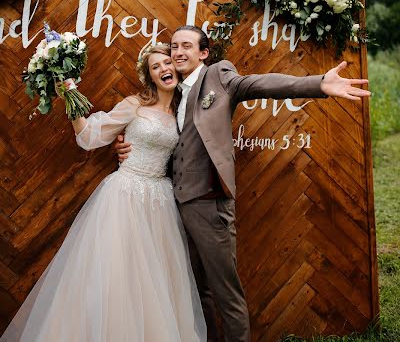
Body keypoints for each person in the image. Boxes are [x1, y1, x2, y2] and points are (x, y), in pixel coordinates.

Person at [116, 25, 371, 342]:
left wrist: (319, 83)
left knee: (226, 294)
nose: (177, 51)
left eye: (186, 45)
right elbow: (163, 141)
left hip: (210, 206)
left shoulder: (219, 76)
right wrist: (128, 145)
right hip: (174, 207)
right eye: (173, 47)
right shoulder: (172, 93)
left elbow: (260, 84)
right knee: (196, 292)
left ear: (204, 53)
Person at [1, 44, 207, 342]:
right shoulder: (134, 104)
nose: (164, 69)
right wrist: (69, 97)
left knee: (157, 282)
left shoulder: (183, 110)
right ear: (149, 77)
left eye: (167, 63)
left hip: (160, 201)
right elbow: (88, 136)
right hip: (124, 198)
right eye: (155, 67)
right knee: (115, 279)